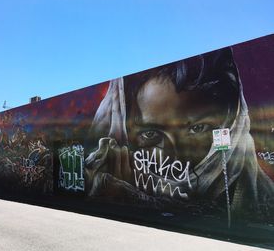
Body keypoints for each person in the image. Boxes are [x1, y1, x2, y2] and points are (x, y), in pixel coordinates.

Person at [85, 47, 274, 216]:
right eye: (150, 134)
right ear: (123, 131)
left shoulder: (263, 202)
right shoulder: (107, 175)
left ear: (232, 122)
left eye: (197, 128)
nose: (175, 156)